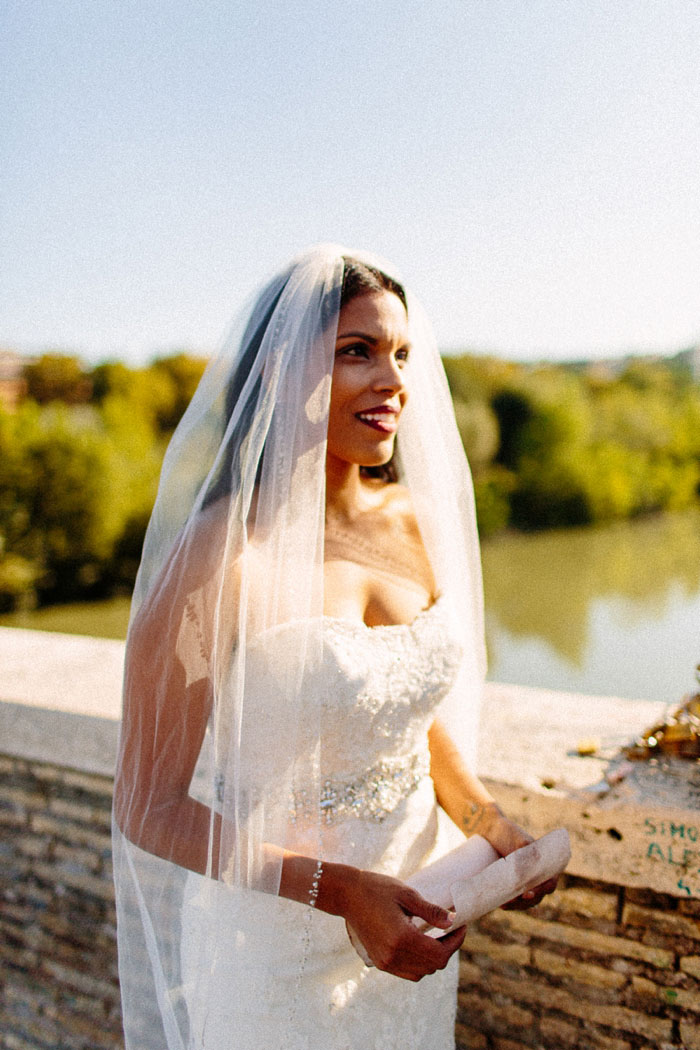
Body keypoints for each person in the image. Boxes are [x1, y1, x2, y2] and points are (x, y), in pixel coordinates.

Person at [112, 245, 555, 1050]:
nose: (392, 382)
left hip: (417, 920)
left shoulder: (415, 525)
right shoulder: (217, 561)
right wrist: (343, 891)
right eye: (358, 352)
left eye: (401, 354)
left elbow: (407, 711)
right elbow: (149, 807)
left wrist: (490, 824)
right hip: (278, 941)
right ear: (279, 372)